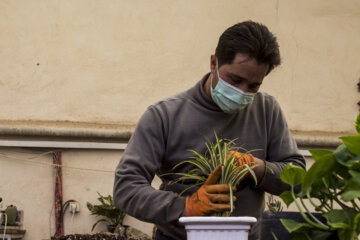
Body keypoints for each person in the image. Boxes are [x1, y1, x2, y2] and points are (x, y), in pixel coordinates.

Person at [113, 21, 306, 240]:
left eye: (254, 86)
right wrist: (185, 207)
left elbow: (298, 179)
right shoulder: (164, 116)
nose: (242, 92)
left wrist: (257, 168)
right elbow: (126, 188)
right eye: (235, 79)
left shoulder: (267, 110)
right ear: (213, 63)